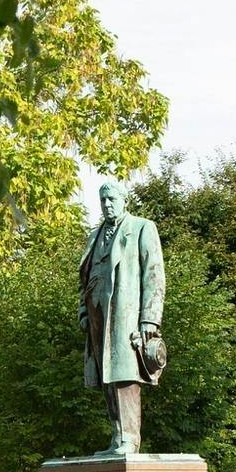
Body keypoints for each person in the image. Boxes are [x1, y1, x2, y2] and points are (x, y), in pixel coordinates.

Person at [78, 182, 166, 456]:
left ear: (124, 200)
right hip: (97, 315)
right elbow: (85, 279)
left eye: (111, 199)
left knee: (125, 374)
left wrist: (149, 320)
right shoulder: (94, 236)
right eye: (102, 200)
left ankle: (130, 439)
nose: (106, 204)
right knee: (107, 376)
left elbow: (154, 274)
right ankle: (117, 439)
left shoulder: (141, 227)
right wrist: (83, 311)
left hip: (125, 315)